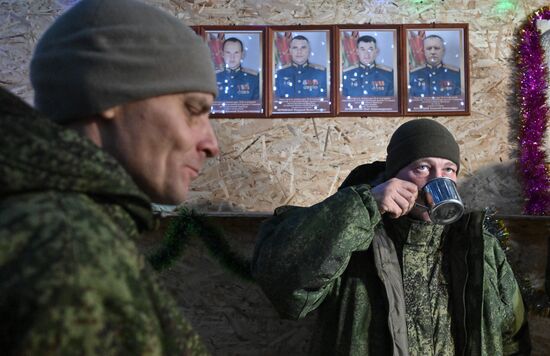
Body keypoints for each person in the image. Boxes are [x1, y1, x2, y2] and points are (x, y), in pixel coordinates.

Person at [0, 0, 220, 354]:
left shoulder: (46, 222)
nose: (211, 144)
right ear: (109, 92)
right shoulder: (69, 250)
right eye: (193, 110)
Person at [252, 119, 530, 355]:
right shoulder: (354, 238)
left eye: (448, 169)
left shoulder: (479, 247)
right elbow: (286, 287)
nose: (437, 179)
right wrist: (363, 205)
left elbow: (513, 335)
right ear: (394, 175)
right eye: (422, 167)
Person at [216, 37, 260, 101]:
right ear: (222, 54)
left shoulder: (254, 79)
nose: (232, 57)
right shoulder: (213, 78)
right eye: (228, 53)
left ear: (242, 54)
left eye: (236, 53)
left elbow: (257, 106)